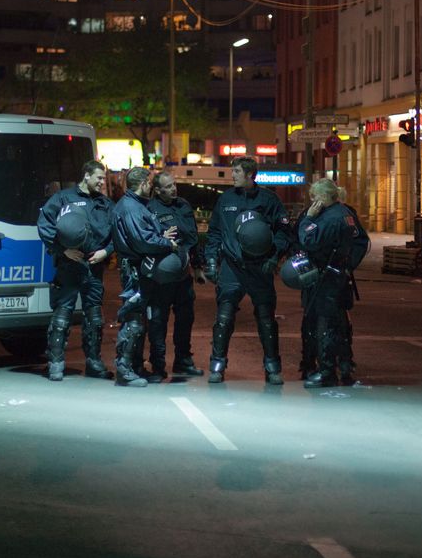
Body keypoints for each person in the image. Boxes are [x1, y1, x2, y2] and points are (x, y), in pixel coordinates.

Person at [203, 156, 291, 384]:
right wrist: (211, 260)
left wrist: (274, 256)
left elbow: (283, 232)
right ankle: (217, 364)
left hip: (259, 267)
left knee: (266, 319)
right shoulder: (226, 200)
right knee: (223, 318)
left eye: (237, 172)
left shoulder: (269, 200)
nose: (232, 175)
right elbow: (214, 232)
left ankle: (273, 367)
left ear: (251, 175)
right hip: (232, 267)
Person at [36, 160, 115, 382]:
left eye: (103, 178)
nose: (102, 182)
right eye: (99, 178)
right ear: (86, 175)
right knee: (62, 316)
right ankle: (56, 362)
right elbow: (44, 224)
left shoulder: (105, 204)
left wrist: (106, 252)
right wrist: (63, 251)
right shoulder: (63, 198)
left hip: (94, 266)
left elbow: (117, 234)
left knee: (95, 318)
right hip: (69, 266)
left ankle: (94, 361)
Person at [111, 166, 182, 388]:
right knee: (133, 320)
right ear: (142, 184)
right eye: (150, 183)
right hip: (135, 271)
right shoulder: (131, 207)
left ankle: (134, 365)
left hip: (141, 268)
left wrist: (158, 234)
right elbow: (142, 241)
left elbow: (145, 234)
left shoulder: (136, 205)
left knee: (139, 318)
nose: (151, 186)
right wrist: (166, 243)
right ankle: (124, 368)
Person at [296, 178, 358, 388]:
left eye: (315, 196)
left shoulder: (330, 218)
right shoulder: (345, 214)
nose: (312, 201)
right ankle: (345, 367)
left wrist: (308, 220)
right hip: (339, 274)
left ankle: (326, 372)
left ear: (324, 196)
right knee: (339, 324)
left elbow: (309, 240)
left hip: (326, 277)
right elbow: (360, 242)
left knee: (325, 326)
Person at [144, 171, 206, 381]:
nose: (173, 189)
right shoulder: (150, 208)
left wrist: (197, 267)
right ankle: (158, 365)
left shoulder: (183, 205)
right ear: (158, 190)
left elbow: (193, 237)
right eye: (168, 186)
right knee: (159, 320)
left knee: (185, 318)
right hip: (161, 276)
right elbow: (144, 238)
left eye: (174, 184)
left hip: (183, 274)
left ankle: (183, 361)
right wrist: (159, 237)